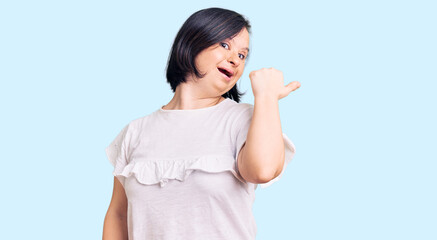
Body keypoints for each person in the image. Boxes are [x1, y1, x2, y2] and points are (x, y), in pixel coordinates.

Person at [102, 7, 301, 240]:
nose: (235, 60)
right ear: (193, 41)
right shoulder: (134, 132)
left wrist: (266, 97)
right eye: (225, 45)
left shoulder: (241, 119)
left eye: (242, 55)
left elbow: (262, 170)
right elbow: (118, 215)